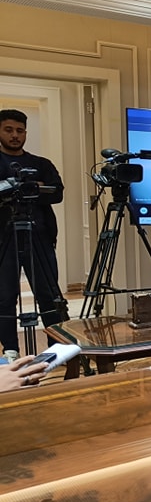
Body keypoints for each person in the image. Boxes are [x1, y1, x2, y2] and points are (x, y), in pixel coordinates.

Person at [0, 109, 66, 354]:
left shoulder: (41, 164)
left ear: (26, 133)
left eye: (20, 130)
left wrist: (28, 189)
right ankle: (11, 350)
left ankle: (56, 349)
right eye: (8, 130)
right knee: (5, 297)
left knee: (49, 296)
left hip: (40, 237)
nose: (15, 135)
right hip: (3, 239)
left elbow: (57, 192)